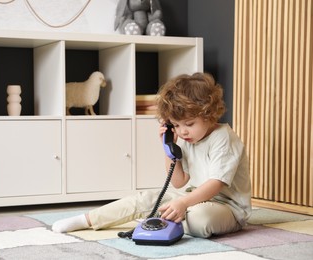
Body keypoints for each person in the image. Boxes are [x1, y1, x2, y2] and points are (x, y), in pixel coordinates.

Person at [52, 72, 252, 238]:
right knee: (147, 198)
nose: (182, 131)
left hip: (227, 208)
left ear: (209, 114)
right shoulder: (189, 138)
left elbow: (216, 183)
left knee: (200, 219)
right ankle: (87, 220)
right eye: (176, 125)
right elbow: (179, 182)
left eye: (189, 124)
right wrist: (168, 147)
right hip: (194, 198)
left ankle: (161, 217)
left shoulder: (223, 137)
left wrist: (182, 203)